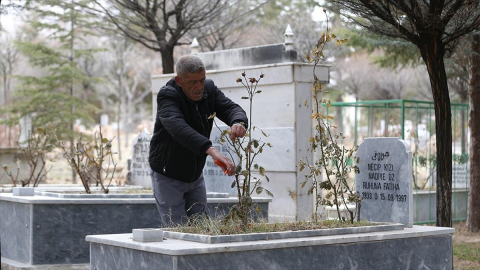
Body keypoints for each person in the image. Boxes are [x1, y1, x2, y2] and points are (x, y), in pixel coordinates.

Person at [149, 54, 248, 226]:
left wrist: (238, 122)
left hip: (194, 176)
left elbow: (230, 108)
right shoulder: (167, 96)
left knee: (202, 226)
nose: (199, 87)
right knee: (177, 229)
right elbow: (178, 127)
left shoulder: (209, 89)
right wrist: (211, 150)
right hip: (168, 175)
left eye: (201, 80)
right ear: (179, 81)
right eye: (192, 82)